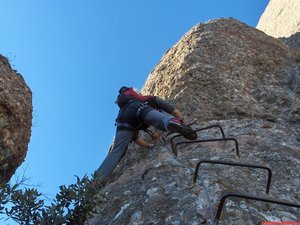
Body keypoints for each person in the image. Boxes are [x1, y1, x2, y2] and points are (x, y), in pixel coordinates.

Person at [94, 86, 197, 184]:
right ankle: (174, 122)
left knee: (117, 151)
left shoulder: (124, 107)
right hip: (140, 109)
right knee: (163, 121)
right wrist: (181, 120)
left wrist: (148, 146)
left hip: (123, 120)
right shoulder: (148, 99)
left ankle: (96, 181)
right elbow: (172, 110)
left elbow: (135, 137)